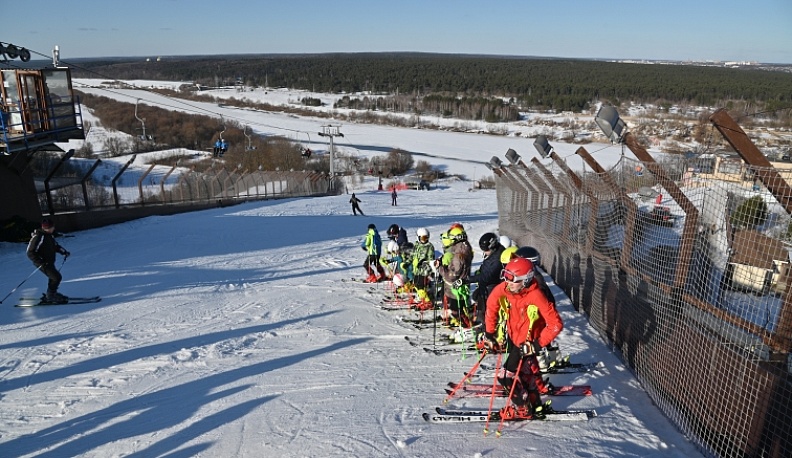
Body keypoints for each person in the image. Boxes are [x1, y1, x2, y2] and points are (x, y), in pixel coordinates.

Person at [482, 257, 563, 418]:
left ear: (525, 280)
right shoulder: (506, 288)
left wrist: (537, 345)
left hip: (526, 343)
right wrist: (490, 334)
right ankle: (535, 402)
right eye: (505, 276)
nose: (508, 282)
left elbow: (555, 324)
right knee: (525, 373)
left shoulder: (536, 295)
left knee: (504, 376)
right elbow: (492, 304)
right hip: (513, 336)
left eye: (512, 279)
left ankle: (522, 409)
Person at [437, 225, 474, 328]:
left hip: (456, 287)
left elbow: (452, 275)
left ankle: (465, 326)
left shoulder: (458, 254)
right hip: (461, 284)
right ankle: (461, 321)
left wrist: (440, 268)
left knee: (456, 308)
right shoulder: (464, 247)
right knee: (459, 307)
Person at [26, 219, 71, 303]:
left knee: (53, 277)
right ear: (46, 228)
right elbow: (30, 252)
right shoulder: (39, 236)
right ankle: (50, 296)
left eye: (53, 227)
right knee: (56, 277)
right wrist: (40, 262)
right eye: (51, 227)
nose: (53, 229)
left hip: (49, 262)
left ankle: (51, 294)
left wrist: (64, 252)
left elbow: (55, 246)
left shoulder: (49, 235)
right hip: (42, 263)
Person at [467, 232, 505, 325]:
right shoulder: (493, 254)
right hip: (486, 288)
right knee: (476, 297)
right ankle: (482, 322)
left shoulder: (497, 259)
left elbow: (487, 276)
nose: (484, 252)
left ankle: (487, 327)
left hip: (492, 287)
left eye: (485, 249)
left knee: (488, 308)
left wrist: (469, 279)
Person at [410, 227, 436, 309]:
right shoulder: (416, 245)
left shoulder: (429, 246)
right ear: (418, 237)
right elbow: (413, 255)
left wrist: (424, 263)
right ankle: (420, 298)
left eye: (426, 238)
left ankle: (428, 302)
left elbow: (431, 259)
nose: (424, 240)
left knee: (420, 286)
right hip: (416, 269)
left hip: (424, 270)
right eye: (422, 238)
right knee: (416, 284)